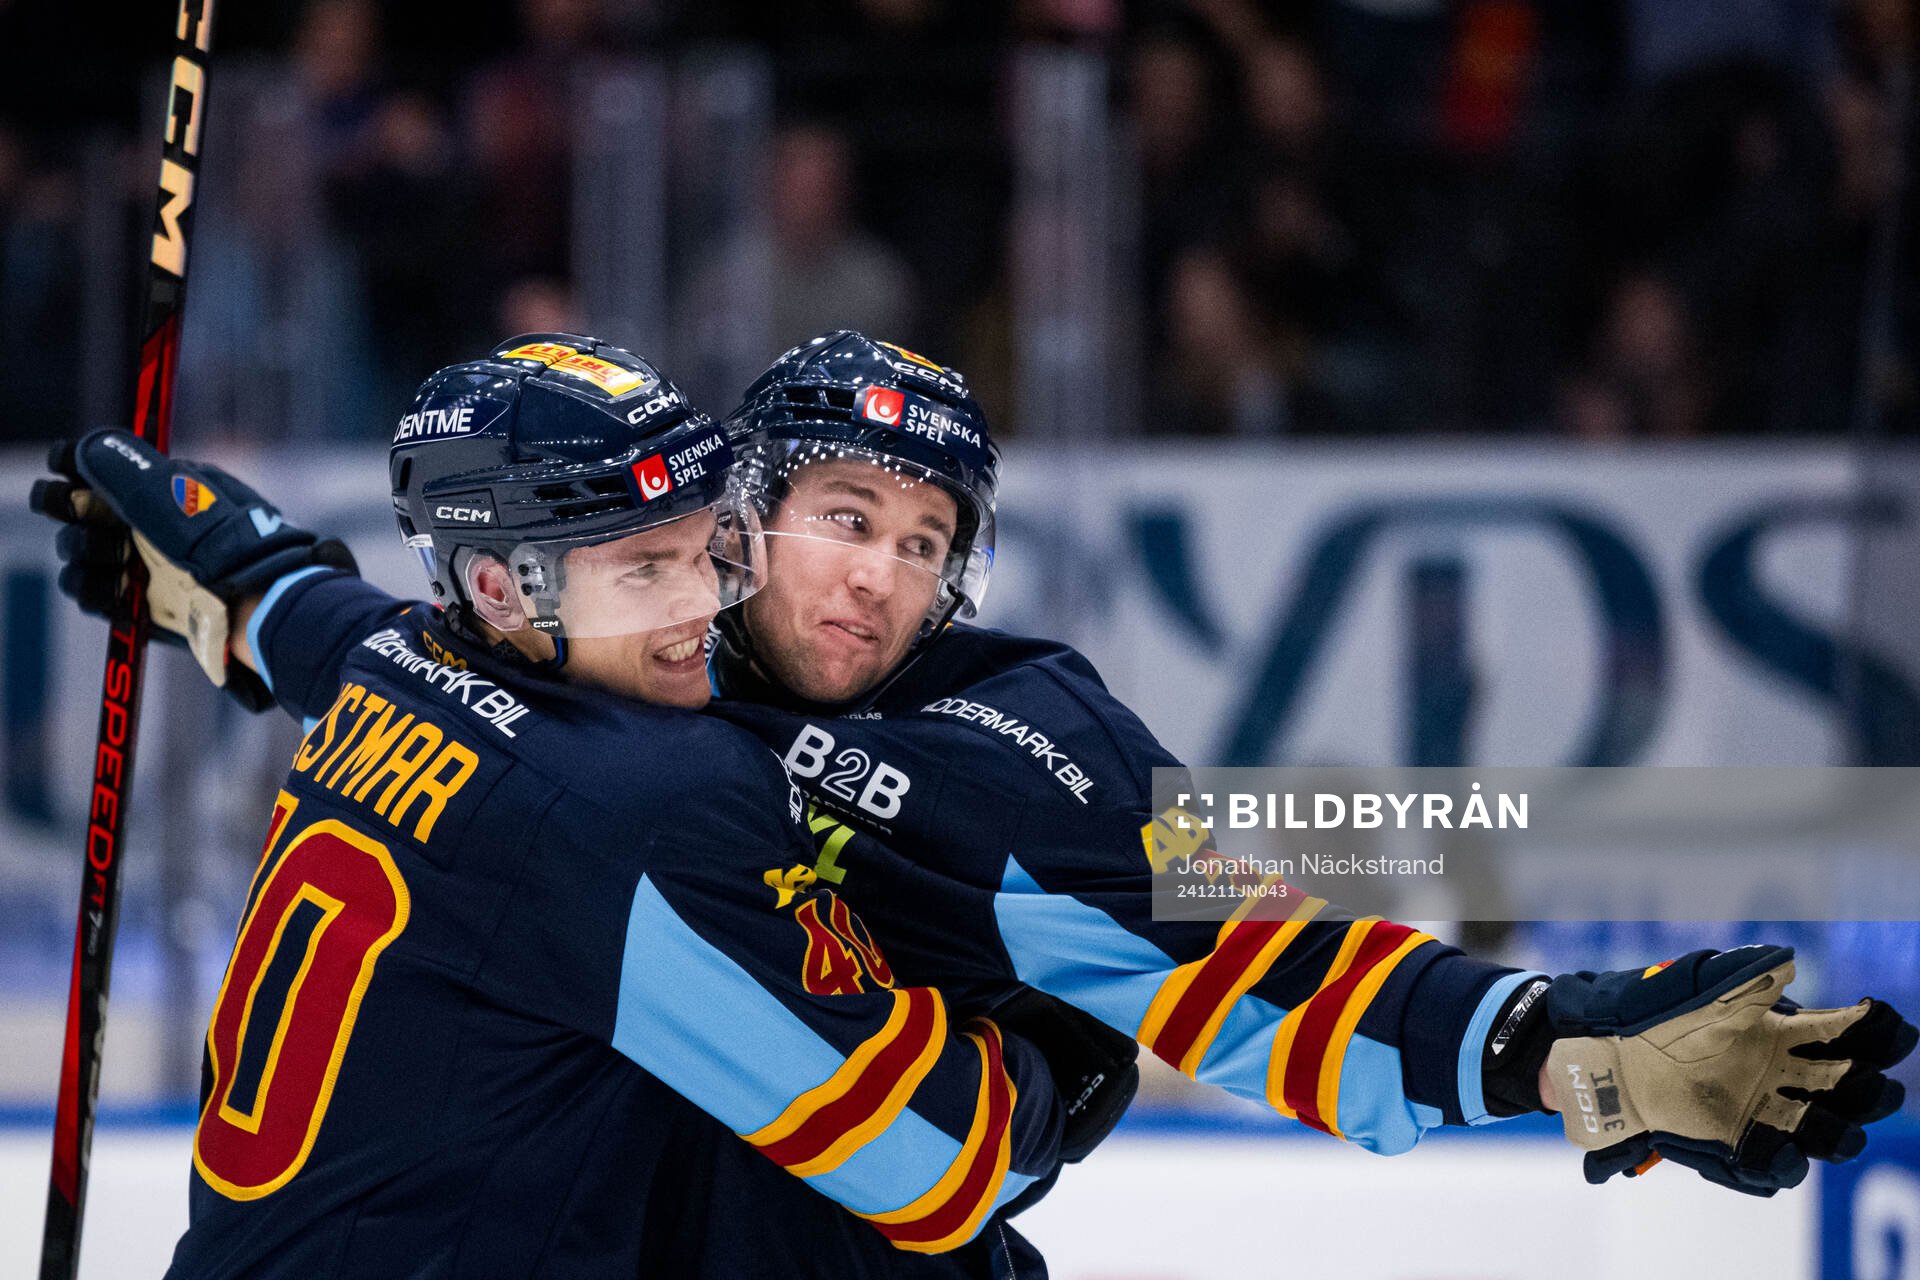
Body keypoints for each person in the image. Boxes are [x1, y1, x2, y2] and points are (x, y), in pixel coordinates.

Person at [701, 330, 1913, 1199]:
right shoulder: (633, 667)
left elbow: (1260, 949)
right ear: (745, 511)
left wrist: (1553, 1039)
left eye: (925, 542)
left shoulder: (1024, 737)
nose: (882, 575)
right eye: (848, 518)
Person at [31, 335, 1084, 1278]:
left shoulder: (390, 662)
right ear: (498, 588)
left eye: (703, 547)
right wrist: (1061, 1063)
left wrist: (242, 574)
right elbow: (926, 1164)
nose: (697, 606)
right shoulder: (648, 799)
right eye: (644, 569)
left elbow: (299, 614)